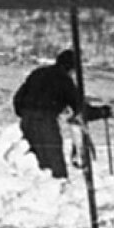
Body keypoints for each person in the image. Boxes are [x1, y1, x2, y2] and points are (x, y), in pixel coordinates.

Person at [12, 49, 78, 178]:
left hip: (27, 121)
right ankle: (56, 190)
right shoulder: (64, 80)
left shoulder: (38, 73)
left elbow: (18, 99)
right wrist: (102, 112)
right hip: (46, 123)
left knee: (32, 160)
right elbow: (79, 108)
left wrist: (26, 114)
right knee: (54, 164)